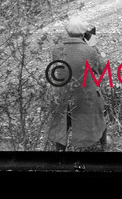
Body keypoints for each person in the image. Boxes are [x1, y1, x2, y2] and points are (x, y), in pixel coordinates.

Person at [45, 17, 109, 152]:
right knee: (99, 114)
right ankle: (104, 145)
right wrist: (93, 46)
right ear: (83, 33)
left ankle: (60, 150)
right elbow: (102, 70)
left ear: (67, 32)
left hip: (64, 95)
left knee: (62, 124)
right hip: (85, 96)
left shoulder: (57, 50)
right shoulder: (89, 50)